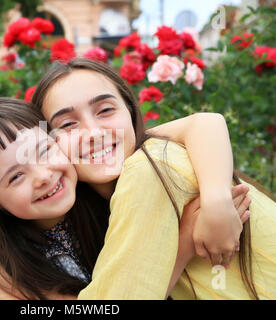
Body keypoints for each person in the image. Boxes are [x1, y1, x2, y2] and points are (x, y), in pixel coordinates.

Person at [26, 58, 276, 299]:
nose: (93, 133)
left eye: (105, 110)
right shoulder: (139, 164)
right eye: (68, 124)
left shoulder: (147, 169)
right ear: (47, 143)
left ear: (130, 112)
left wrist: (217, 203)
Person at [0, 97, 248, 300]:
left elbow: (201, 124)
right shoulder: (10, 266)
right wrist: (182, 247)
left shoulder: (96, 172)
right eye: (16, 177)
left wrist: (216, 200)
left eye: (44, 151)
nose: (42, 175)